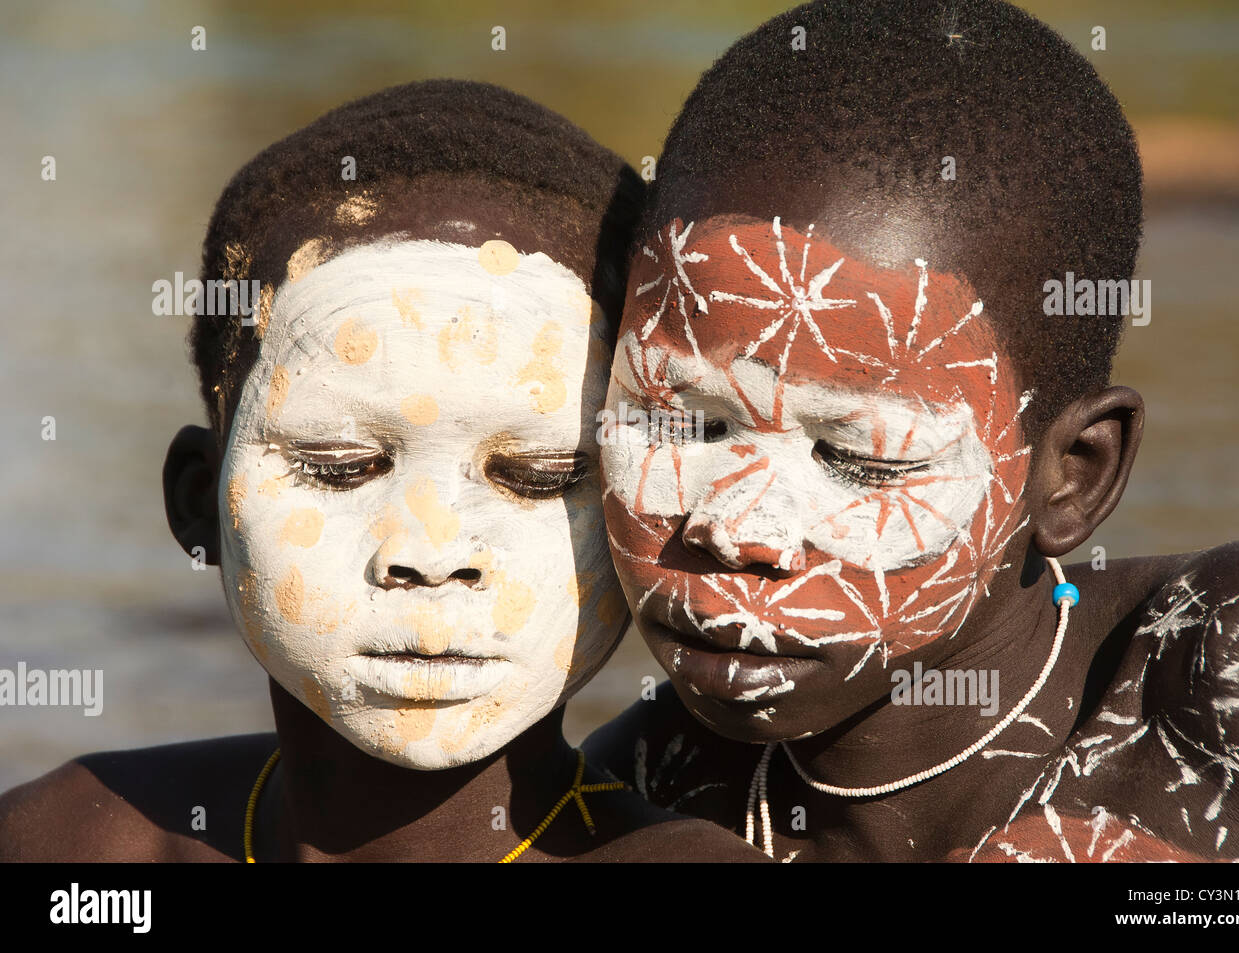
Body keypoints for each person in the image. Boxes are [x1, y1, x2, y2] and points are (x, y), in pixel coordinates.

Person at [584, 0, 1239, 862]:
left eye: (856, 458)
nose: (736, 531)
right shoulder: (634, 797)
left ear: (1074, 475)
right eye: (682, 421)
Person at [0, 80, 767, 863]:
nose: (432, 555)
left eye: (535, 475)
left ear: (636, 504)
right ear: (199, 501)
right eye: (343, 467)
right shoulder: (65, 843)